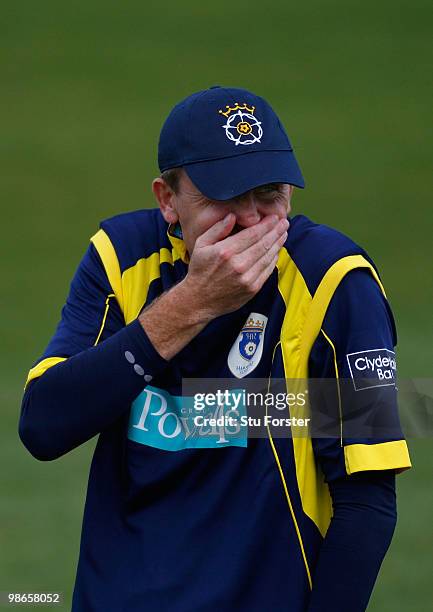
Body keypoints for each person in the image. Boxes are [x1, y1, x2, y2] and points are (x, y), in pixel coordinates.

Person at [19, 86, 411, 612]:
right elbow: (44, 424)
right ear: (168, 200)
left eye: (270, 193)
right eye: (225, 198)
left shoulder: (336, 281)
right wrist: (192, 304)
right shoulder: (122, 258)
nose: (251, 219)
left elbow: (368, 500)